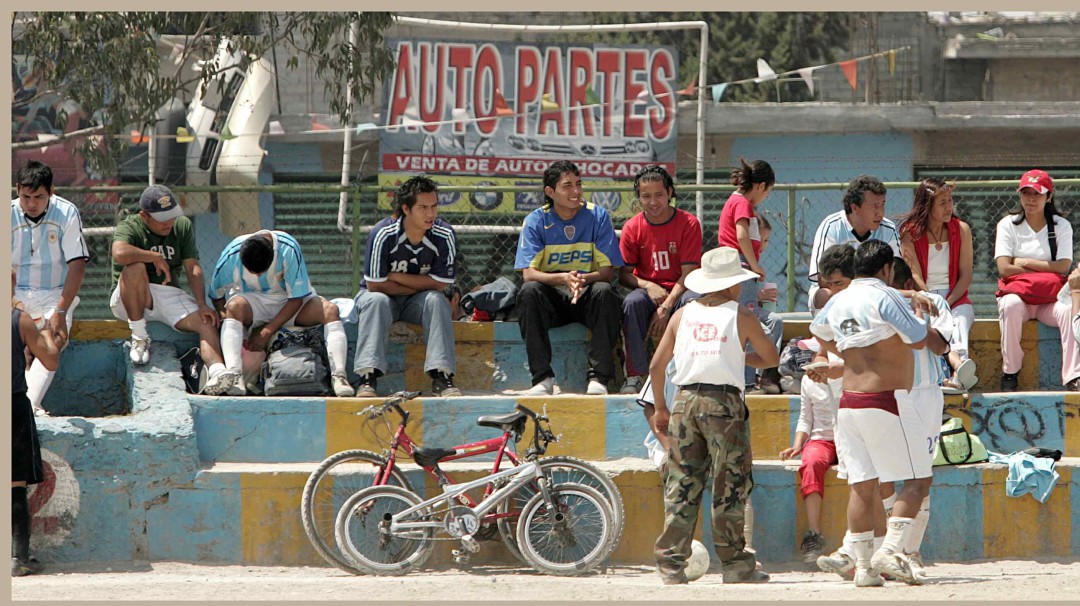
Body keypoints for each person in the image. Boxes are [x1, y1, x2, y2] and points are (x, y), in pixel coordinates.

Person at [809, 240, 946, 587]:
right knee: (918, 480)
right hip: (886, 399)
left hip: (850, 404)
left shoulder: (840, 300)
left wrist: (847, 350)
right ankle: (893, 549)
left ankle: (865, 569)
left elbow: (818, 331)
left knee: (862, 486)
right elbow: (917, 339)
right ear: (887, 270)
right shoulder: (884, 295)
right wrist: (916, 311)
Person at [650, 246, 777, 585]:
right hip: (724, 405)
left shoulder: (681, 314)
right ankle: (735, 564)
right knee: (729, 484)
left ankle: (670, 564)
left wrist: (661, 407)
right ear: (734, 283)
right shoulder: (742, 316)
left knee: (682, 483)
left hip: (684, 401)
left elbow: (655, 366)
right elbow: (770, 357)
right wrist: (740, 359)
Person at [515, 160, 624, 396]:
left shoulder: (598, 216)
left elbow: (607, 272)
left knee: (606, 291)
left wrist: (580, 280)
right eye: (567, 186)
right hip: (552, 298)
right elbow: (529, 274)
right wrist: (564, 278)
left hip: (586, 294)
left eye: (578, 184)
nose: (575, 191)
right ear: (550, 192)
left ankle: (599, 378)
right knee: (529, 292)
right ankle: (542, 378)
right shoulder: (535, 220)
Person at [110, 185, 233, 392]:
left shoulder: (182, 226)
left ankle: (218, 373)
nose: (169, 222)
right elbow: (119, 253)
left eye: (172, 215)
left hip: (168, 294)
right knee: (135, 267)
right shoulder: (129, 226)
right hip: (130, 297)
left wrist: (202, 304)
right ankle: (140, 337)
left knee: (206, 321)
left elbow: (192, 267)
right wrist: (153, 256)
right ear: (144, 216)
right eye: (162, 218)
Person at [351, 176, 462, 398]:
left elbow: (441, 284)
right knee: (376, 301)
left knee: (436, 300)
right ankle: (367, 377)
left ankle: (442, 376)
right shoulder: (383, 233)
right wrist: (422, 284)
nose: (431, 214)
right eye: (422, 207)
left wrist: (394, 276)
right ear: (406, 208)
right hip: (381, 298)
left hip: (417, 302)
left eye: (434, 206)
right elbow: (374, 285)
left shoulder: (444, 234)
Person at [209, 230, 354, 397]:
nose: (257, 275)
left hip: (290, 303)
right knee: (234, 307)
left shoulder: (288, 248)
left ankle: (340, 377)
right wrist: (229, 322)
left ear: (273, 256)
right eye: (252, 271)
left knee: (330, 310)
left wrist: (266, 331)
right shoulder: (231, 253)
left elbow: (296, 300)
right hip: (255, 303)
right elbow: (216, 295)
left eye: (261, 271)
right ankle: (235, 376)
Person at [780, 244, 855, 564]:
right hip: (823, 438)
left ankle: (862, 538)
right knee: (810, 462)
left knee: (863, 469)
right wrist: (798, 445)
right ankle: (812, 534)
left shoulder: (846, 364)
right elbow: (805, 420)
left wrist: (834, 372)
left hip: (852, 431)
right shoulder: (811, 380)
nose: (817, 355)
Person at [884, 256, 953, 581]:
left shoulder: (935, 302)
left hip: (926, 394)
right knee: (884, 474)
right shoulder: (879, 305)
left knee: (921, 475)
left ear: (908, 286)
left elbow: (941, 347)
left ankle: (909, 552)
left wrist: (918, 322)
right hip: (889, 391)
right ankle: (888, 548)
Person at [11, 160, 88, 415]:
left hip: (55, 293)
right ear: (17, 189)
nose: (32, 203)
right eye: (26, 196)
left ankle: (28, 404)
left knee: (53, 342)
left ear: (51, 192)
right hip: (13, 292)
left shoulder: (67, 212)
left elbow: (77, 266)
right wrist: (13, 302)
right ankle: (28, 405)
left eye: (39, 197)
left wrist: (61, 311)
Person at [617, 165, 702, 394]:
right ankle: (635, 375)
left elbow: (690, 273)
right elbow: (624, 274)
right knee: (631, 303)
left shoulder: (689, 223)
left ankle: (691, 372)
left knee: (695, 305)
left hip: (683, 289)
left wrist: (666, 306)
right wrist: (648, 285)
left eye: (659, 195)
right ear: (639, 198)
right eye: (646, 196)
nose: (653, 202)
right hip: (649, 292)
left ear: (670, 193)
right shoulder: (632, 227)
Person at [995, 169, 1080, 391]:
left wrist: (1023, 262)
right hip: (1020, 298)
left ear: (1049, 197)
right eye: (1026, 193)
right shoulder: (1008, 224)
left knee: (1069, 310)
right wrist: (1045, 272)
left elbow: (1063, 266)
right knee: (1009, 305)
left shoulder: (1061, 226)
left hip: (1048, 300)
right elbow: (1004, 268)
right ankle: (1010, 372)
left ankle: (1073, 376)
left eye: (1037, 194)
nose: (1031, 199)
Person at [899, 178, 977, 392]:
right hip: (924, 295)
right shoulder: (909, 233)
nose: (949, 206)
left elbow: (966, 275)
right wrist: (933, 300)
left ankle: (959, 375)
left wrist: (948, 302)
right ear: (927, 205)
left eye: (950, 200)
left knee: (959, 321)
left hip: (955, 296)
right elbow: (914, 273)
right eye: (942, 202)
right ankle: (945, 373)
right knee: (926, 322)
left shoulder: (962, 229)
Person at [716, 158, 783, 393]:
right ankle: (745, 382)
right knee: (745, 324)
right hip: (739, 267)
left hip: (740, 268)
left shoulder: (739, 202)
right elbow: (742, 235)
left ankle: (756, 376)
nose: (765, 197)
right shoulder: (743, 203)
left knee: (761, 321)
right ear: (761, 186)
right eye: (768, 192)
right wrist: (754, 266)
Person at [12, 307, 61, 576]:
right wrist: (45, 333)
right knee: (14, 482)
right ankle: (18, 558)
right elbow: (50, 360)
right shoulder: (19, 320)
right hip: (11, 404)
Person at [807, 175, 900, 314]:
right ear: (855, 207)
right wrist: (857, 290)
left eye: (883, 205)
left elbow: (896, 273)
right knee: (824, 295)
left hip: (876, 292)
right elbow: (823, 278)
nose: (880, 212)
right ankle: (828, 334)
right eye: (875, 206)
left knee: (902, 297)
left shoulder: (888, 229)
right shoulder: (832, 226)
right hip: (839, 290)